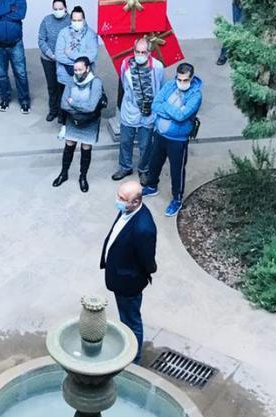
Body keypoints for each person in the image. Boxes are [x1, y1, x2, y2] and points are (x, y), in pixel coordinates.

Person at [101, 180, 157, 364]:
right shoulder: (128, 210)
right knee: (126, 317)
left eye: (122, 198)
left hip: (129, 282)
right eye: (119, 195)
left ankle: (134, 359)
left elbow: (147, 260)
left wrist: (145, 272)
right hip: (120, 276)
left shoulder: (143, 228)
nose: (118, 200)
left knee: (132, 321)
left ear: (135, 202)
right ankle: (128, 347)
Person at [142, 63, 202, 217]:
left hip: (178, 140)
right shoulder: (170, 85)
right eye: (179, 79)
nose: (181, 83)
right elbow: (155, 105)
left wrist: (165, 107)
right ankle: (151, 185)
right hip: (160, 134)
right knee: (154, 163)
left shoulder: (195, 95)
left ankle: (177, 198)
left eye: (185, 80)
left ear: (191, 78)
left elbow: (182, 116)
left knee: (177, 170)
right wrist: (173, 111)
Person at [112, 37, 163, 182]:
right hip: (130, 109)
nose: (140, 54)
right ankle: (125, 167)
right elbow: (124, 82)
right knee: (125, 140)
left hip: (148, 111)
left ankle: (144, 169)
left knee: (146, 144)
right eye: (137, 51)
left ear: (149, 52)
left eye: (143, 52)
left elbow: (158, 86)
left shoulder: (157, 67)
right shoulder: (126, 64)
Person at [54, 57, 102, 193]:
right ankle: (64, 173)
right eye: (75, 70)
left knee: (86, 149)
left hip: (89, 122)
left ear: (87, 68)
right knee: (69, 146)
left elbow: (92, 107)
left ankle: (83, 177)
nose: (77, 72)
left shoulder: (96, 82)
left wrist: (73, 103)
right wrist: (81, 108)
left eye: (80, 69)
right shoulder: (71, 80)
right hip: (73, 120)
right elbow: (63, 104)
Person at [0, 0, 29, 113]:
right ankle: (5, 98)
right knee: (1, 74)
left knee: (21, 73)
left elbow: (20, 14)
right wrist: (9, 8)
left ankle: (24, 100)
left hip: (15, 43)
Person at [36, 0, 69, 123]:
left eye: (60, 8)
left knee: (63, 86)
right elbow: (41, 40)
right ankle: (53, 110)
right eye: (55, 9)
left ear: (66, 8)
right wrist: (51, 54)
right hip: (48, 59)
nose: (58, 11)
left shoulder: (71, 20)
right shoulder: (46, 20)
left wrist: (63, 56)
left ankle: (62, 113)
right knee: (52, 86)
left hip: (65, 60)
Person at [53, 6, 95, 99]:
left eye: (79, 20)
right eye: (74, 20)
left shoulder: (91, 35)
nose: (76, 22)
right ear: (70, 20)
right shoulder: (63, 33)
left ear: (83, 20)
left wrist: (70, 54)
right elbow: (59, 55)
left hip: (85, 77)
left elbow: (91, 57)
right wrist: (81, 62)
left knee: (82, 103)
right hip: (64, 77)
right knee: (64, 104)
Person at [216, 0, 241, 65]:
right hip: (238, 3)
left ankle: (224, 54)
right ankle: (224, 54)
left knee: (239, 29)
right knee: (237, 28)